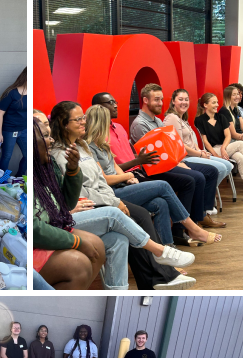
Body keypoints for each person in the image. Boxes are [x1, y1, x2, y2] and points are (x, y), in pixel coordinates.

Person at [37, 109, 196, 290]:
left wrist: (114, 197)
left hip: (104, 196)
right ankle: (164, 252)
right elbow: (76, 195)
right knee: (142, 205)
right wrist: (115, 198)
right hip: (88, 205)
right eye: (79, 119)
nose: (84, 122)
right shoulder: (59, 156)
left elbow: (100, 179)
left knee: (124, 233)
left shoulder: (82, 147)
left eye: (84, 118)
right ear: (64, 124)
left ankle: (124, 290)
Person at [85, 104, 221, 244]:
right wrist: (129, 176)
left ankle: (167, 250)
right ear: (100, 124)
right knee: (163, 185)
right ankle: (192, 228)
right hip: (111, 192)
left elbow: (115, 168)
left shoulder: (102, 145)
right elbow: (104, 179)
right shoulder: (89, 148)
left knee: (160, 203)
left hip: (123, 183)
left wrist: (127, 179)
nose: (110, 126)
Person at [129, 84, 222, 241]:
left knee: (199, 176)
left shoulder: (158, 121)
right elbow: (152, 157)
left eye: (161, 99)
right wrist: (178, 163)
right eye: (156, 100)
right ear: (145, 100)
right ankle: (184, 228)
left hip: (168, 164)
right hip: (153, 170)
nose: (160, 103)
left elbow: (171, 147)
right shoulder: (139, 124)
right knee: (191, 179)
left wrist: (178, 161)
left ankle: (192, 223)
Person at [33, 117, 106, 289]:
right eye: (45, 136)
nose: (50, 141)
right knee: (78, 265)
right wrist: (76, 242)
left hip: (53, 226)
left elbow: (66, 204)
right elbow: (35, 229)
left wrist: (73, 170)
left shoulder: (48, 167)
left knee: (98, 247)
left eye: (50, 135)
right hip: (34, 241)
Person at [163, 88, 233, 220]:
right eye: (180, 99)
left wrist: (201, 151)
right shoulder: (172, 118)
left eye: (186, 99)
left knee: (227, 166)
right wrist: (199, 154)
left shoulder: (182, 118)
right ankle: (204, 207)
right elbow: (180, 144)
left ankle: (205, 197)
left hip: (193, 154)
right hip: (185, 158)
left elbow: (192, 141)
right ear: (173, 101)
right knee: (220, 168)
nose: (184, 102)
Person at [195, 92, 243, 201]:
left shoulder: (221, 117)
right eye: (214, 103)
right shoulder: (199, 120)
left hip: (225, 147)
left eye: (217, 102)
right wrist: (215, 155)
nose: (217, 105)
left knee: (241, 157)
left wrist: (223, 148)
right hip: (213, 149)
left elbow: (228, 136)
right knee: (241, 145)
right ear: (205, 105)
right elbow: (205, 141)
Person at [0, 68, 27, 176]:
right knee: (6, 156)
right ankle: (2, 180)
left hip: (24, 130)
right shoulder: (11, 93)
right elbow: (0, 113)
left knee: (29, 155)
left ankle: (19, 177)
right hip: (9, 130)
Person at [219, 86, 243, 154]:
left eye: (237, 94)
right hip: (234, 141)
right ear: (228, 96)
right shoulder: (225, 111)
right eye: (234, 95)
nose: (237, 97)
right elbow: (233, 134)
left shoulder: (236, 109)